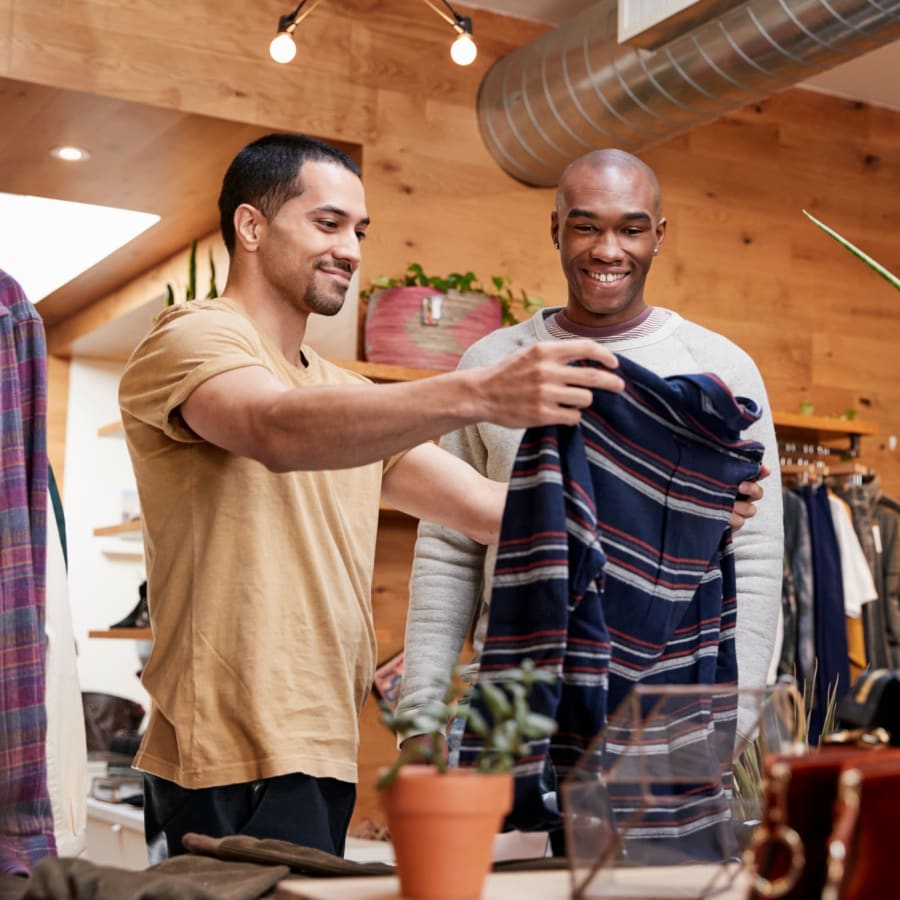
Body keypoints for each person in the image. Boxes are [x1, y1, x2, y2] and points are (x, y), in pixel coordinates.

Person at [116, 133, 628, 860]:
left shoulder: (345, 398)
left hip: (322, 752)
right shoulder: (193, 337)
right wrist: (476, 392)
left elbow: (495, 513)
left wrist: (679, 507)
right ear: (251, 226)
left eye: (359, 231)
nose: (352, 249)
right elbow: (273, 427)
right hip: (221, 759)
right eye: (328, 223)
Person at [397, 149, 783, 775]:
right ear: (555, 229)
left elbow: (759, 558)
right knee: (496, 877)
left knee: (645, 881)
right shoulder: (492, 365)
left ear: (659, 236)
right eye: (586, 226)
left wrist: (733, 722)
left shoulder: (719, 372)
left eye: (631, 228)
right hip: (510, 700)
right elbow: (448, 546)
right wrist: (418, 716)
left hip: (668, 712)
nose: (608, 249)